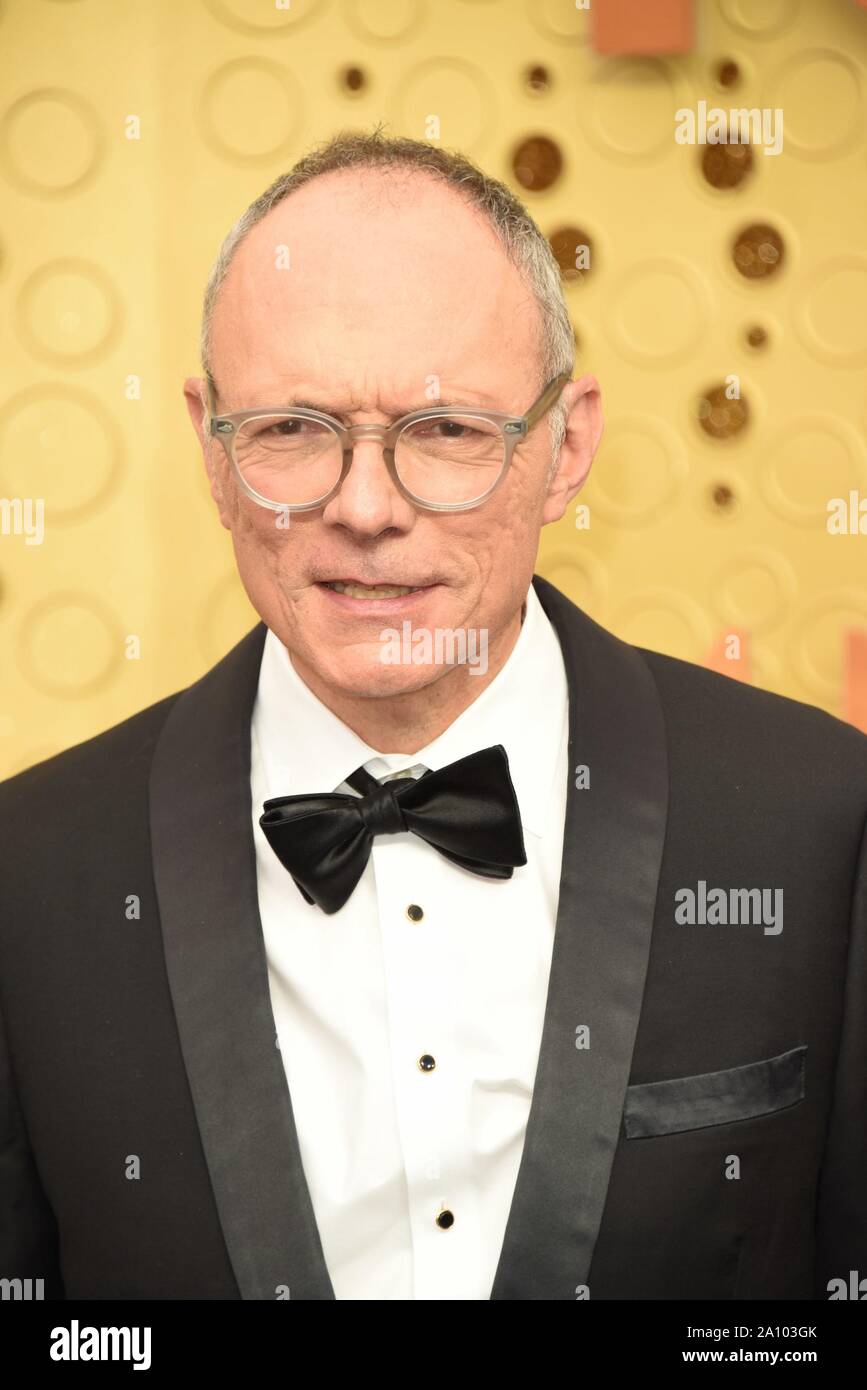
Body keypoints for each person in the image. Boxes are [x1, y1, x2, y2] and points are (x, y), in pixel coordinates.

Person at [1, 130, 865, 1302]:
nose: (365, 508)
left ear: (566, 447)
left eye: (448, 430)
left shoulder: (820, 818)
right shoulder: (30, 868)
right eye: (291, 429)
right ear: (211, 449)